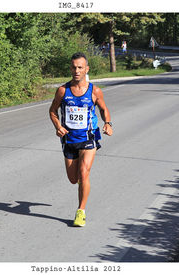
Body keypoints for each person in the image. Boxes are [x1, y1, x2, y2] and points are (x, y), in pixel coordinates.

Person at [48, 52, 113, 227]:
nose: (76, 71)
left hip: (88, 138)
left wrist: (107, 123)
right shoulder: (63, 91)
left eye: (80, 68)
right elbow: (52, 111)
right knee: (73, 178)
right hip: (69, 140)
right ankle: (81, 186)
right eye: (74, 67)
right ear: (70, 68)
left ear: (86, 69)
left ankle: (80, 211)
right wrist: (58, 127)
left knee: (84, 173)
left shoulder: (95, 91)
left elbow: (103, 109)